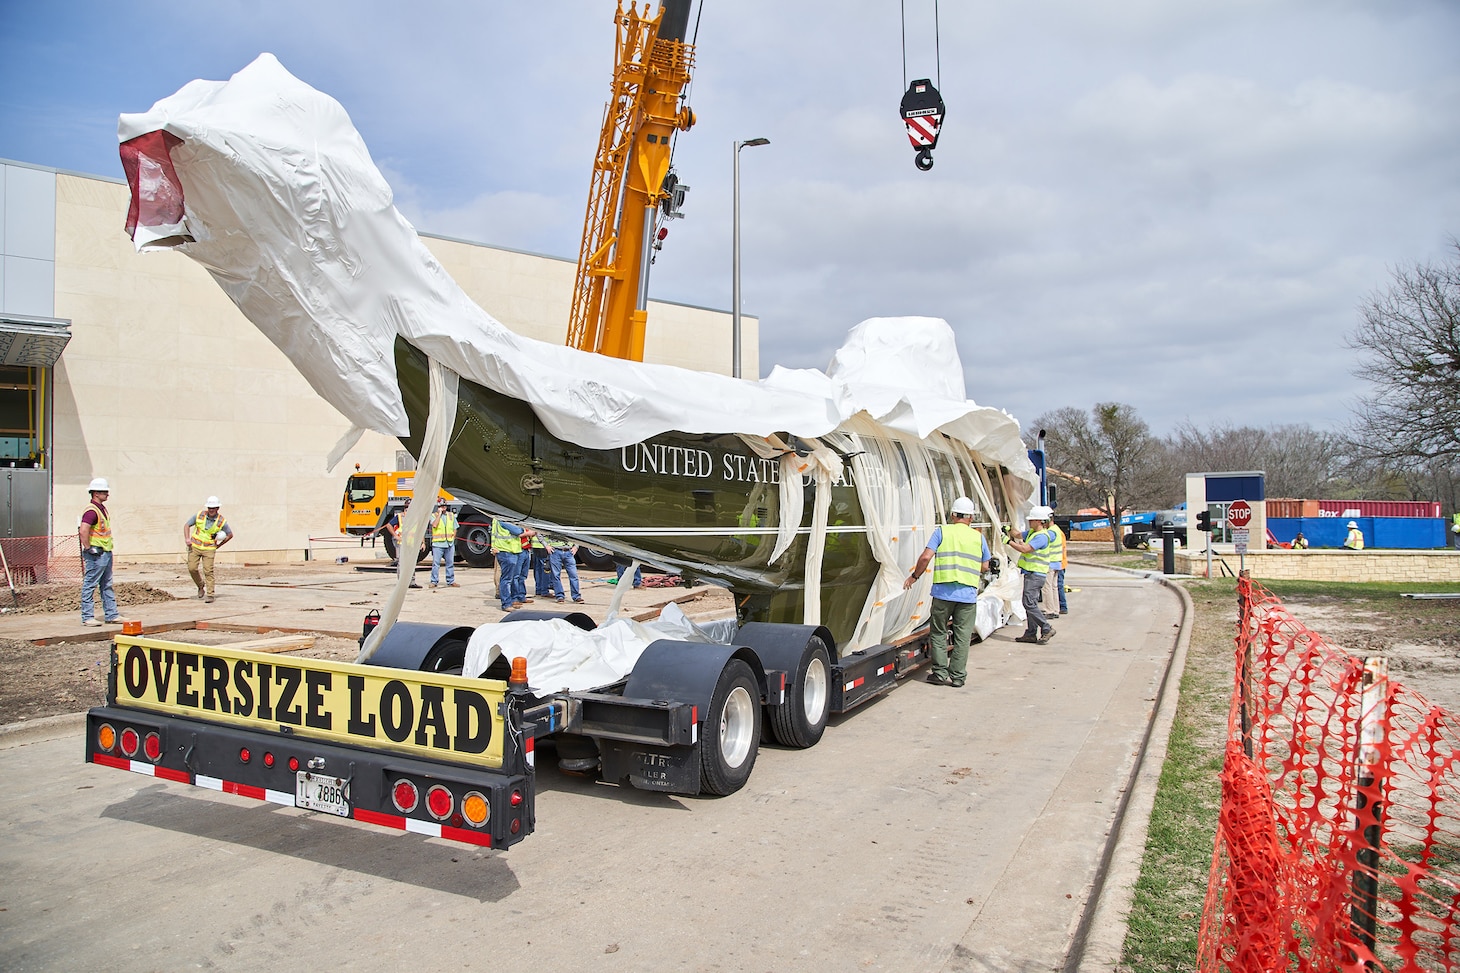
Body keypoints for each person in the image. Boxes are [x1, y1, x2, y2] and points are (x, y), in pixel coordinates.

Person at [903, 496, 989, 687]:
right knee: (963, 637)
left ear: (952, 515)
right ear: (971, 518)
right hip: (967, 596)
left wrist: (914, 577)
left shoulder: (942, 532)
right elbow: (985, 566)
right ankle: (958, 677)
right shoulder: (978, 537)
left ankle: (940, 674)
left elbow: (926, 557)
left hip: (943, 594)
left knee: (939, 632)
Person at [1007, 505, 1056, 645]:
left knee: (1028, 603)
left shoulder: (1041, 537)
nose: (1029, 522)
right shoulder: (1032, 533)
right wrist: (1009, 530)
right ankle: (1031, 633)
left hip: (1036, 574)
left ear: (1040, 521)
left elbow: (1025, 549)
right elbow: (1018, 534)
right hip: (1031, 574)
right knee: (1031, 603)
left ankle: (1046, 628)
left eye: (1032, 520)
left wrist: (1008, 542)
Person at [78, 477, 120, 627]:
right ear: (96, 493)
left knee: (107, 584)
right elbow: (83, 531)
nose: (107, 494)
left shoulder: (101, 509)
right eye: (105, 492)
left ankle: (111, 614)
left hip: (106, 552)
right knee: (90, 584)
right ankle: (87, 616)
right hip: (96, 554)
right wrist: (89, 548)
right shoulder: (91, 511)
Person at [183, 496, 233, 603]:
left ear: (217, 508)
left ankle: (210, 594)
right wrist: (187, 539)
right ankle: (200, 586)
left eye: (213, 508)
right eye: (209, 507)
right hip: (195, 547)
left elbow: (230, 535)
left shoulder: (221, 521)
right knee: (192, 568)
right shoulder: (199, 515)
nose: (211, 510)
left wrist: (219, 546)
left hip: (209, 549)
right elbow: (187, 525)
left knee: (208, 571)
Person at [491, 518, 529, 610]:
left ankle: (511, 601)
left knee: (509, 578)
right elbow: (518, 531)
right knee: (507, 579)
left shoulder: (500, 518)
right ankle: (506, 604)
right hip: (506, 551)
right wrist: (523, 529)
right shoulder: (503, 519)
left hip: (510, 551)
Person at [388, 500, 422, 588]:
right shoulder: (400, 517)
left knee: (411, 563)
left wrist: (422, 542)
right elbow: (389, 525)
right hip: (401, 543)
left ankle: (412, 582)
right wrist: (395, 535)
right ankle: (401, 583)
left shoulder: (415, 518)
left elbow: (419, 530)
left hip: (411, 543)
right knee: (401, 563)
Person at [428, 500, 459, 588]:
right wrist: (439, 514)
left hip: (449, 543)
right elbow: (434, 525)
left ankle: (451, 581)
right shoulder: (434, 515)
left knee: (450, 563)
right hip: (438, 544)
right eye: (441, 506)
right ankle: (434, 581)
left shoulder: (451, 515)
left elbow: (455, 527)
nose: (443, 507)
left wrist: (453, 537)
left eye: (444, 506)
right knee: (436, 564)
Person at [547, 534, 584, 603]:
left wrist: (576, 546)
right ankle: (560, 596)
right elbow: (539, 533)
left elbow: (576, 532)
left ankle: (576, 596)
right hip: (555, 551)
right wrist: (546, 545)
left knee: (574, 575)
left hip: (569, 552)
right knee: (556, 575)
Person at [1050, 518, 1068, 615]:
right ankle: (1061, 606)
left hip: (1059, 562)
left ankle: (1062, 606)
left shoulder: (1055, 532)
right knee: (1057, 585)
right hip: (1060, 562)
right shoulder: (1058, 531)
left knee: (1057, 585)